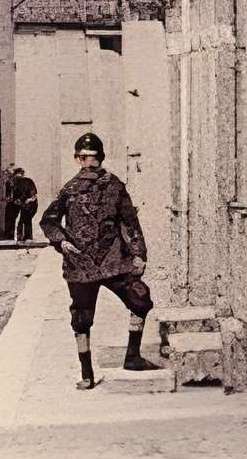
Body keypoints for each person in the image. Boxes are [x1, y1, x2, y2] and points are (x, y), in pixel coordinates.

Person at [39, 133, 159, 388]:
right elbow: (48, 220)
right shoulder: (69, 190)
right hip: (80, 266)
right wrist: (62, 242)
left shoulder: (114, 185)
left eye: (94, 158)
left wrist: (138, 254)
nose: (89, 163)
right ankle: (86, 373)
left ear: (101, 159)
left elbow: (129, 221)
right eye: (84, 158)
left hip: (113, 261)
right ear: (77, 159)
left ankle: (133, 357)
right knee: (82, 318)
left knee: (141, 300)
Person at [13, 170, 38, 244]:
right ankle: (21, 238)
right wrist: (17, 200)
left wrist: (29, 200)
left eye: (19, 174)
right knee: (21, 220)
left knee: (26, 219)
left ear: (22, 174)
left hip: (30, 204)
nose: (18, 176)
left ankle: (27, 237)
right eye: (16, 175)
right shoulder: (16, 183)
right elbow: (16, 196)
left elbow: (34, 195)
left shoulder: (28, 181)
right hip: (22, 204)